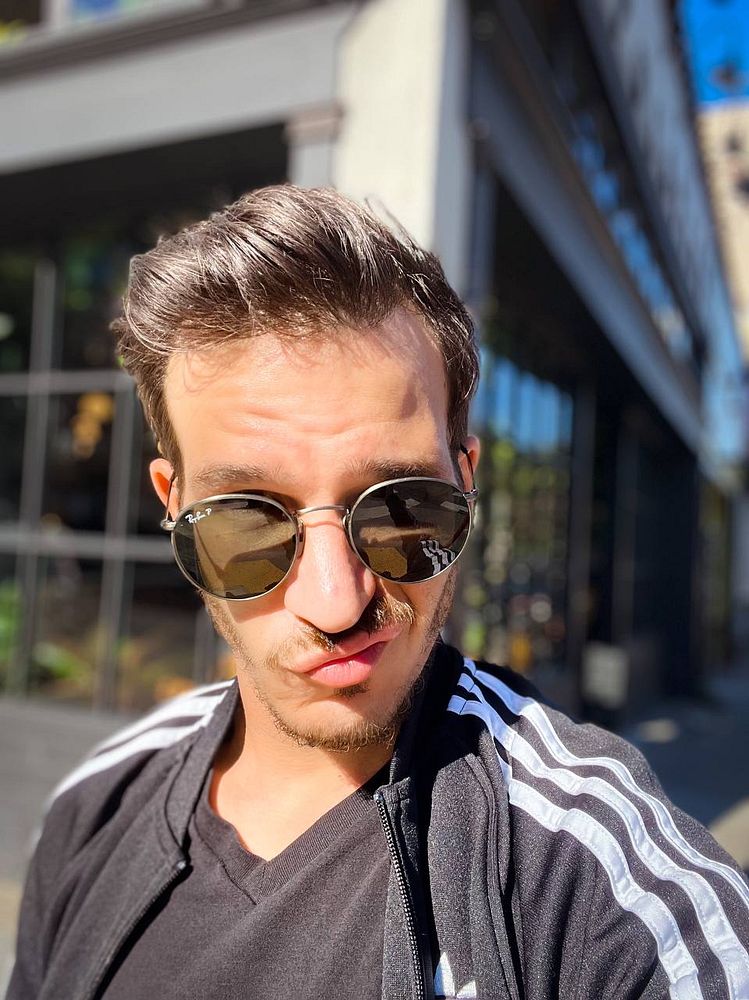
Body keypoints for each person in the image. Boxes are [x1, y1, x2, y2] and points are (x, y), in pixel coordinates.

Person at [9, 185, 749, 1000]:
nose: (336, 601)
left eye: (402, 508)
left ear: (465, 483)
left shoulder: (592, 883)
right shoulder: (97, 806)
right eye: (247, 519)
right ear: (173, 505)